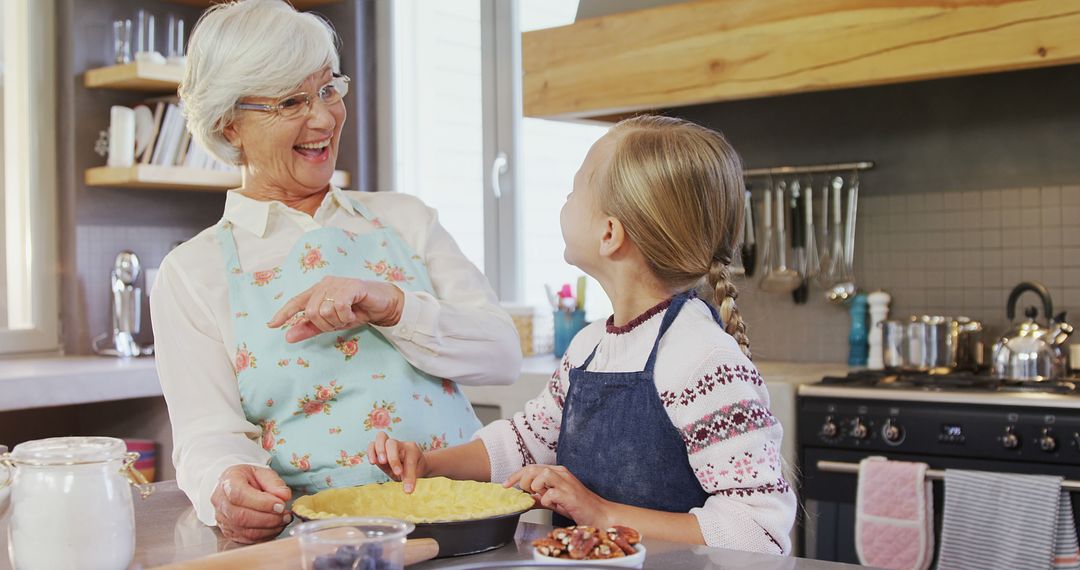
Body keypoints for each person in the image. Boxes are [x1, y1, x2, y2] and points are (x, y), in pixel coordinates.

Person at [151, 0, 521, 544]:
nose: (323, 118)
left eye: (327, 89)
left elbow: (502, 354)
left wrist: (395, 305)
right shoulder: (192, 272)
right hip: (322, 543)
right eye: (290, 101)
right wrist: (225, 483)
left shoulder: (405, 220)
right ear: (230, 122)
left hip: (465, 526)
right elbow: (208, 433)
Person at [368, 115, 796, 554]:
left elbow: (758, 534)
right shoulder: (590, 348)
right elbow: (525, 442)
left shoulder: (701, 358)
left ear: (610, 233)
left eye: (574, 190)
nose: (565, 201)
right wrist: (429, 464)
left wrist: (601, 514)